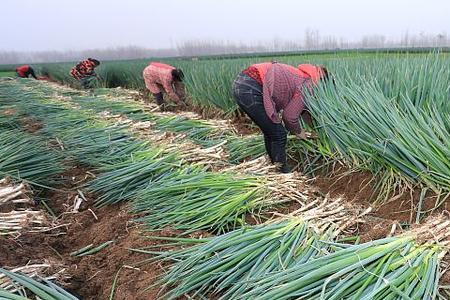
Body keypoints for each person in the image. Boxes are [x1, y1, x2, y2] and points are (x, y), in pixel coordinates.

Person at [232, 62, 327, 173]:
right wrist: (298, 131)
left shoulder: (305, 76)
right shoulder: (310, 85)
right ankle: (283, 174)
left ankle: (274, 168)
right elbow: (289, 116)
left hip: (243, 83)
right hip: (251, 87)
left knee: (271, 132)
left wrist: (317, 129)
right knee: (279, 134)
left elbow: (303, 109)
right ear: (324, 84)